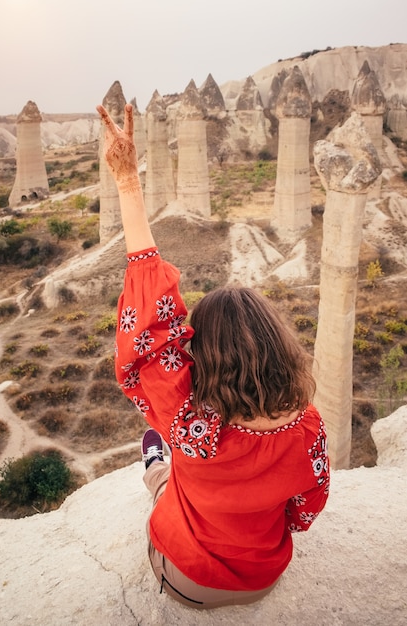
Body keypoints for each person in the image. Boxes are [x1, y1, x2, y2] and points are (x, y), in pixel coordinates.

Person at [97, 102, 330, 610]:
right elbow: (305, 512)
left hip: (184, 579)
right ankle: (164, 471)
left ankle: (156, 468)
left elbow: (153, 329)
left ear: (202, 353)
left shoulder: (189, 423)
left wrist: (127, 183)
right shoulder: (309, 430)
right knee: (183, 475)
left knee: (168, 478)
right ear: (279, 349)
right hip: (262, 579)